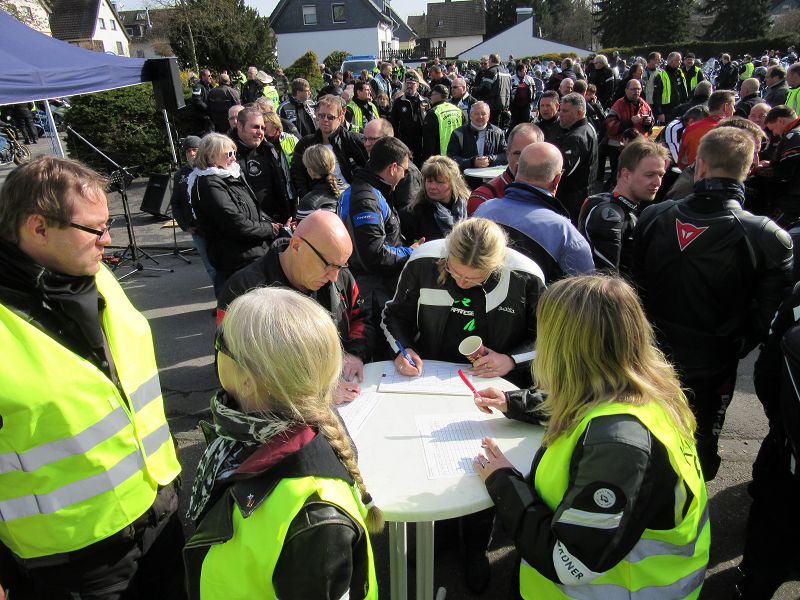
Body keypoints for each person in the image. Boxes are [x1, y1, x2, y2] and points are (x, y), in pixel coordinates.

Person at [0, 157, 183, 599]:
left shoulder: (92, 272)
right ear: (38, 228)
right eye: (95, 229)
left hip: (159, 510)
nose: (109, 239)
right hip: (75, 559)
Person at [473, 275, 709, 600]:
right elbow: (581, 399)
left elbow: (567, 563)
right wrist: (512, 402)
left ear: (565, 346)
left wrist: (503, 481)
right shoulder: (649, 387)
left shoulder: (619, 446)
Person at [184, 287, 380, 599]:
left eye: (221, 341)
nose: (216, 348)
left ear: (248, 379)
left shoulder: (314, 519)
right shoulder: (241, 430)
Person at [633, 127, 794, 480]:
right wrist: (728, 346)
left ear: (699, 167)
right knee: (697, 447)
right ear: (749, 169)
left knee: (643, 437)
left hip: (648, 358)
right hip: (710, 366)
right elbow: (769, 321)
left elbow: (631, 291)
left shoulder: (653, 215)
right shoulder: (768, 236)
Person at [216, 211, 372, 403]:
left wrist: (355, 353)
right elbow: (232, 370)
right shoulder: (242, 290)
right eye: (329, 265)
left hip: (342, 396)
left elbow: (362, 318)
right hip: (279, 416)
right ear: (296, 245)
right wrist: (317, 393)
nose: (334, 277)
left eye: (341, 265)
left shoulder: (340, 278)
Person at [736, 283, 800, 598]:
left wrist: (780, 422)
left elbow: (767, 371)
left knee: (766, 551)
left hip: (788, 461)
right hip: (785, 450)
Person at [475, 142, 594, 282]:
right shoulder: (566, 235)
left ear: (517, 168)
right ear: (557, 179)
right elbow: (585, 295)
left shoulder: (483, 211)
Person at [189, 133, 282, 296]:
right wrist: (270, 229)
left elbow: (254, 209)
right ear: (212, 156)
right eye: (228, 154)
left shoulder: (230, 175)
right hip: (236, 260)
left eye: (234, 153)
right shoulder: (209, 184)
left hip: (251, 254)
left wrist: (278, 225)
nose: (233, 158)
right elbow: (235, 223)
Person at [579, 139, 669, 275]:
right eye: (650, 175)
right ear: (626, 175)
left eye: (661, 175)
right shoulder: (610, 213)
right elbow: (606, 280)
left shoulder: (619, 206)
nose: (658, 182)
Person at [291, 95, 369, 198]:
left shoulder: (354, 141)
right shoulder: (306, 144)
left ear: (340, 118)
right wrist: (306, 195)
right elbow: (297, 175)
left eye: (330, 117)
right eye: (321, 116)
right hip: (318, 200)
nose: (325, 120)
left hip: (351, 199)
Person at [467, 123, 543, 215]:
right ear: (508, 155)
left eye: (530, 153)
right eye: (517, 153)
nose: (522, 161)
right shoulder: (483, 198)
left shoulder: (551, 190)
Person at [170, 135, 216, 287]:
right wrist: (185, 225)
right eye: (188, 151)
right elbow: (175, 204)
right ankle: (221, 297)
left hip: (215, 226)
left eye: (195, 149)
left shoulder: (212, 169)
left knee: (223, 262)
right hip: (196, 230)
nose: (191, 153)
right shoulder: (180, 175)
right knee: (210, 266)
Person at [401, 155, 469, 242]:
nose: (432, 187)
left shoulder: (469, 206)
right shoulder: (414, 212)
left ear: (453, 183)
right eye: (429, 181)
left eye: (440, 182)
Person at [553, 93, 598, 223]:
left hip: (572, 201)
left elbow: (563, 171)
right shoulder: (588, 127)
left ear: (579, 113)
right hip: (584, 194)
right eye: (560, 110)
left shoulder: (577, 137)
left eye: (565, 111)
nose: (560, 114)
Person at [361, 118, 422, 213]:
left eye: (372, 139)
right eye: (365, 139)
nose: (367, 144)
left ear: (388, 139)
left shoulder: (407, 172)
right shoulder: (371, 163)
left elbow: (408, 213)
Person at [603, 79, 653, 185]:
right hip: (619, 147)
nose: (637, 91)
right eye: (633, 89)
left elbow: (650, 126)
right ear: (626, 90)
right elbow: (610, 126)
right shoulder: (619, 104)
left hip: (639, 147)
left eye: (639, 89)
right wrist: (630, 121)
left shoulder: (644, 104)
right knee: (618, 177)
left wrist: (648, 123)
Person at [446, 101, 507, 179]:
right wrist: (472, 162)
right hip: (466, 180)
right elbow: (451, 158)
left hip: (490, 180)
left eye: (483, 114)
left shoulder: (498, 132)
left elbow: (506, 155)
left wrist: (490, 159)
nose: (480, 116)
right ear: (470, 115)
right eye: (476, 114)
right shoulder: (458, 133)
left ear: (488, 116)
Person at [677, 89, 736, 169]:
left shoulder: (690, 128)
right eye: (733, 106)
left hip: (694, 177)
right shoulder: (732, 131)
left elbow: (681, 162)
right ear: (725, 107)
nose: (734, 110)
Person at [390, 72, 429, 166]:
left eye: (412, 83)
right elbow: (394, 123)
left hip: (420, 141)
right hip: (404, 141)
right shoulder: (399, 102)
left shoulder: (424, 101)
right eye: (407, 83)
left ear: (418, 85)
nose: (409, 86)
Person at [296, 144, 342, 220]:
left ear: (311, 170)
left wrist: (287, 229)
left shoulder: (309, 202)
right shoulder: (347, 191)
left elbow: (304, 231)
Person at [421, 84, 463, 163]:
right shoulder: (457, 109)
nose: (430, 97)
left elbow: (428, 140)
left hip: (440, 157)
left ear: (438, 95)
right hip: (457, 154)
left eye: (432, 94)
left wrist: (427, 159)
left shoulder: (434, 112)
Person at [653, 52, 688, 124]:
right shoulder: (661, 75)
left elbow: (683, 90)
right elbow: (656, 96)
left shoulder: (680, 72)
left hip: (681, 108)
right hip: (667, 111)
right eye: (679, 60)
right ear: (672, 61)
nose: (681, 62)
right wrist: (660, 113)